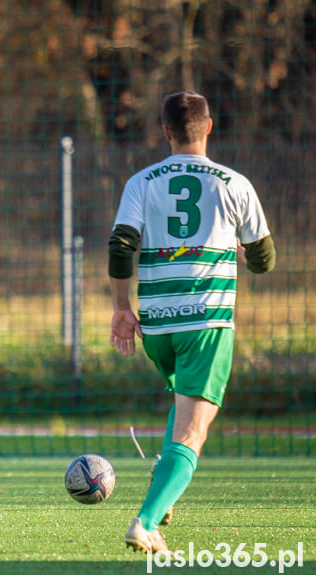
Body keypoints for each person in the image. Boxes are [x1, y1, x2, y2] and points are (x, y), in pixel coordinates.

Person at [108, 92, 275, 552]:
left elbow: (122, 245)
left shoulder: (141, 181)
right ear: (208, 127)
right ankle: (144, 521)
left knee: (182, 409)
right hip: (207, 324)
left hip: (158, 327)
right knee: (193, 431)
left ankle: (160, 503)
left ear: (165, 132)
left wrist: (122, 307)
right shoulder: (234, 182)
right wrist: (242, 254)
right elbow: (264, 259)